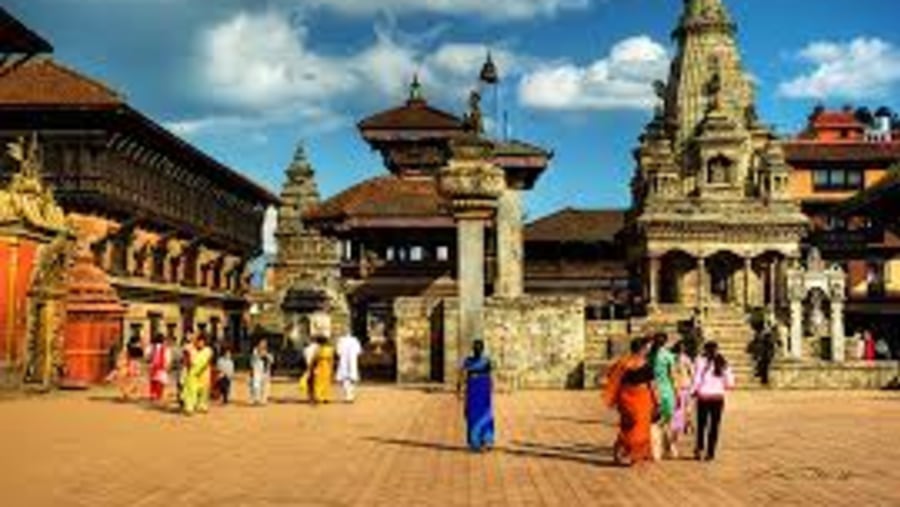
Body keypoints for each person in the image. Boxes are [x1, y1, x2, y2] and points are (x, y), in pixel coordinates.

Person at [604, 337, 656, 466]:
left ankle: (631, 454)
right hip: (635, 398)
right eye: (646, 348)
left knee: (633, 425)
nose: (648, 350)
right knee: (635, 425)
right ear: (642, 349)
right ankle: (627, 451)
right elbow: (653, 385)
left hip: (633, 397)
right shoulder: (629, 364)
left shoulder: (625, 363)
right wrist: (658, 401)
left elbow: (612, 375)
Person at [691, 341, 735, 461]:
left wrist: (693, 391)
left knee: (701, 425)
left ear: (705, 349)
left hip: (703, 396)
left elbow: (696, 378)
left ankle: (699, 448)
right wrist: (721, 387)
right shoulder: (723, 362)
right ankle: (710, 452)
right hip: (717, 397)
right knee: (714, 426)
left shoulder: (700, 361)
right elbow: (730, 382)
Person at [457, 339, 494, 452]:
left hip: (483, 390)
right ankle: (475, 442)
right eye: (476, 348)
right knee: (472, 416)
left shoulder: (486, 361)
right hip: (473, 391)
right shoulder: (468, 361)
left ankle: (487, 440)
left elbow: (490, 376)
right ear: (473, 349)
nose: (477, 350)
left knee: (486, 414)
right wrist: (459, 389)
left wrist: (490, 388)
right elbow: (462, 375)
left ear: (482, 349)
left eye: (479, 348)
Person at [650, 332, 677, 459]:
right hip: (667, 391)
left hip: (652, 391)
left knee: (654, 422)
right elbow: (672, 376)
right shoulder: (668, 356)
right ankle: (670, 447)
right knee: (667, 421)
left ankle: (657, 451)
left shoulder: (649, 356)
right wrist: (677, 392)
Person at [181, 334, 213, 415]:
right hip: (192, 374)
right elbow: (186, 357)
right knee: (191, 391)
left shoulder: (208, 350)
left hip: (204, 374)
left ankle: (202, 405)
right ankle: (189, 408)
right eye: (198, 341)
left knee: (203, 392)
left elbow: (208, 361)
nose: (200, 343)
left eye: (202, 342)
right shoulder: (191, 349)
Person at [670, 340, 695, 445]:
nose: (681, 349)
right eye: (680, 347)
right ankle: (677, 434)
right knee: (678, 412)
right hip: (678, 387)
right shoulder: (673, 359)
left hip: (685, 386)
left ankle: (686, 426)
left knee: (686, 411)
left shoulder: (686, 359)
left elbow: (692, 373)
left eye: (682, 347)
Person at [336, 333, 363, 402]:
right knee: (352, 377)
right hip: (352, 361)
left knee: (345, 377)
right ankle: (350, 395)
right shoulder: (355, 340)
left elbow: (338, 352)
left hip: (344, 361)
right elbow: (358, 351)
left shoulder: (341, 340)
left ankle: (347, 396)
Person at [310, 335, 335, 404]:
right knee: (325, 382)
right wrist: (332, 368)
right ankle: (324, 397)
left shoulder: (318, 349)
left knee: (319, 382)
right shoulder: (330, 349)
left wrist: (312, 367)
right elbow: (332, 360)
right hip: (326, 366)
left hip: (320, 366)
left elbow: (314, 359)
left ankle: (320, 397)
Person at [147, 333, 170, 404]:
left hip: (153, 366)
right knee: (161, 382)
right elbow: (167, 357)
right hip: (161, 366)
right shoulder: (165, 348)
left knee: (153, 381)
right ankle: (159, 395)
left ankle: (153, 395)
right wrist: (167, 365)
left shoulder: (151, 347)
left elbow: (147, 355)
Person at [249, 339, 274, 405]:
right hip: (257, 370)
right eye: (262, 343)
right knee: (256, 385)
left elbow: (272, 360)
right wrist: (262, 354)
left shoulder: (268, 352)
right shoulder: (255, 351)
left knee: (265, 386)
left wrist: (267, 355)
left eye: (264, 343)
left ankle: (263, 400)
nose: (263, 345)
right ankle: (256, 399)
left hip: (265, 371)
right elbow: (254, 359)